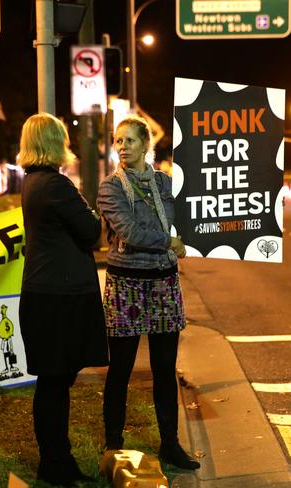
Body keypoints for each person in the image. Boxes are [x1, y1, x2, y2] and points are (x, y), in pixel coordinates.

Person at [97, 115, 200, 470]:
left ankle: (170, 444)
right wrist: (170, 241)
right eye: (118, 141)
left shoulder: (166, 182)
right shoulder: (110, 188)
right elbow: (130, 231)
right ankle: (113, 445)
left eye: (129, 141)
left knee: (164, 368)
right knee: (121, 369)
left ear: (146, 145)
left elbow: (189, 218)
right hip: (126, 283)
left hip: (163, 281)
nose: (122, 147)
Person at [18, 113, 108, 486]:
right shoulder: (56, 185)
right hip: (59, 298)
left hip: (46, 294)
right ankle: (54, 463)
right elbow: (92, 231)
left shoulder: (33, 182)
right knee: (55, 383)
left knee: (54, 382)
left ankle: (58, 459)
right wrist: (91, 209)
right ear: (53, 142)